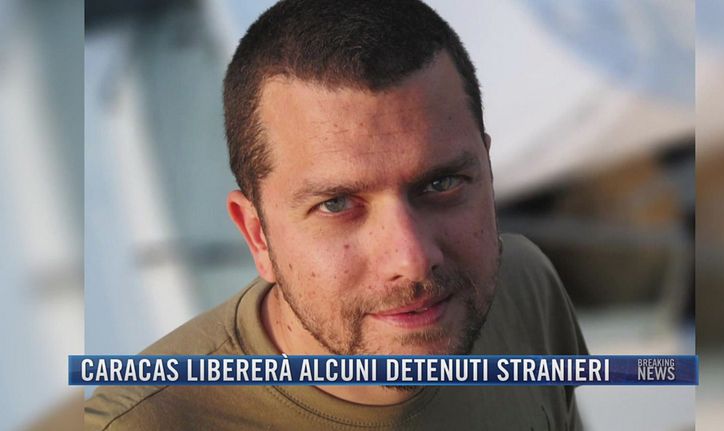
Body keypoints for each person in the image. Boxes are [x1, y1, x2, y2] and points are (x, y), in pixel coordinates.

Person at [85, 0, 588, 429]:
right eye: (336, 204)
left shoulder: (525, 288)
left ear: (488, 172)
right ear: (257, 235)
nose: (412, 259)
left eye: (442, 184)